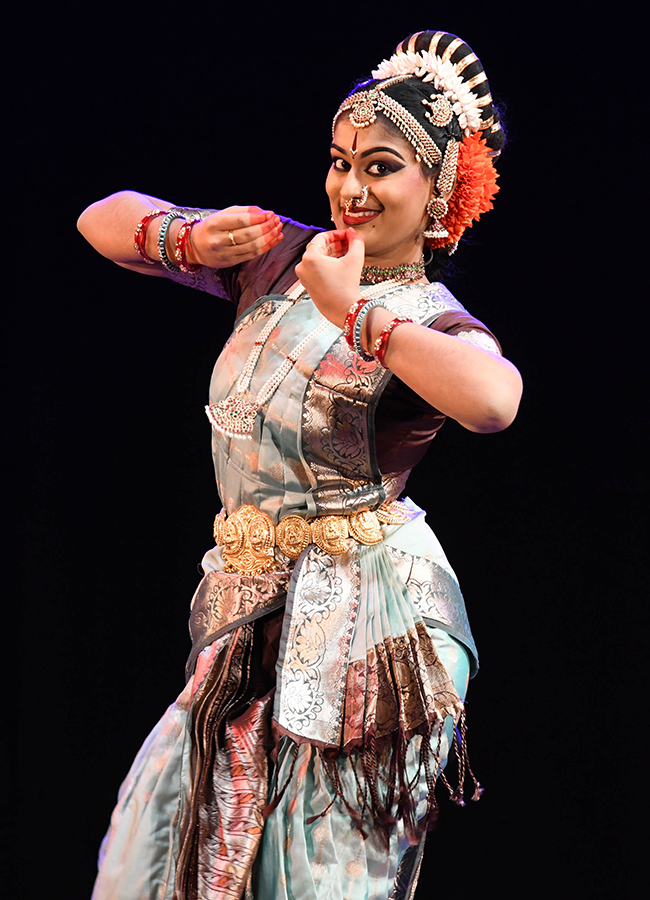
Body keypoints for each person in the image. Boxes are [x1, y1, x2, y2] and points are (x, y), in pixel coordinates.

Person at [78, 29, 522, 900]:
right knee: (166, 854)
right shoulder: (286, 256)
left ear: (440, 189)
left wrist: (358, 313)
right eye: (339, 162)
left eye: (382, 168)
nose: (350, 189)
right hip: (250, 611)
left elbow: (493, 400)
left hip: (369, 629)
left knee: (320, 874)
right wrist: (193, 238)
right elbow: (102, 218)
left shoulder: (432, 318)